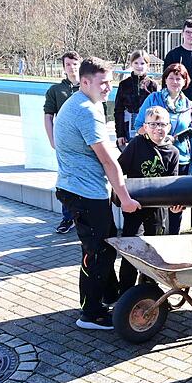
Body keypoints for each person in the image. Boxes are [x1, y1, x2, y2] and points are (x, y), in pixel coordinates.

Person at [53, 57, 141, 330]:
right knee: (99, 252)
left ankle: (103, 295)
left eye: (110, 82)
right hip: (84, 193)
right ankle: (90, 314)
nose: (108, 87)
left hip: (81, 189)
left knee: (97, 247)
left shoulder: (87, 104)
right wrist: (125, 197)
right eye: (103, 83)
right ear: (85, 81)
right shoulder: (85, 110)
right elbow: (106, 160)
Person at [116, 106, 180, 296]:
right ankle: (125, 292)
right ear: (145, 126)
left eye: (162, 124)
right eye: (153, 124)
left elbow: (173, 186)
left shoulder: (173, 153)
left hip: (158, 210)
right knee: (131, 248)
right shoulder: (136, 144)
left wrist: (175, 207)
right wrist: (122, 196)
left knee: (154, 251)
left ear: (169, 127)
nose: (157, 128)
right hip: (135, 206)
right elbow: (118, 170)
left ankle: (150, 291)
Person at [134, 63, 192, 235]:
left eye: (179, 78)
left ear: (185, 81)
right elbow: (138, 125)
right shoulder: (154, 99)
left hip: (181, 161)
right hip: (157, 160)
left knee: (177, 207)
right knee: (156, 210)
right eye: (171, 77)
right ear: (165, 79)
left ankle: (174, 240)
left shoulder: (189, 105)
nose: (174, 81)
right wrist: (157, 137)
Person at [45, 51, 81, 234]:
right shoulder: (56, 91)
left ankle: (82, 216)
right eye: (68, 64)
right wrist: (52, 140)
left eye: (75, 64)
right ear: (64, 67)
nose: (72, 67)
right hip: (65, 145)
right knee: (66, 180)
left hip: (84, 144)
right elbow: (48, 116)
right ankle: (67, 218)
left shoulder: (87, 87)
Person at [114, 50, 158, 149]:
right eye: (136, 63)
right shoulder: (124, 84)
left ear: (147, 64)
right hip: (128, 125)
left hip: (147, 125)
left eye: (142, 63)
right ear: (131, 64)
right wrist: (120, 134)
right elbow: (118, 110)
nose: (139, 66)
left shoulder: (152, 85)